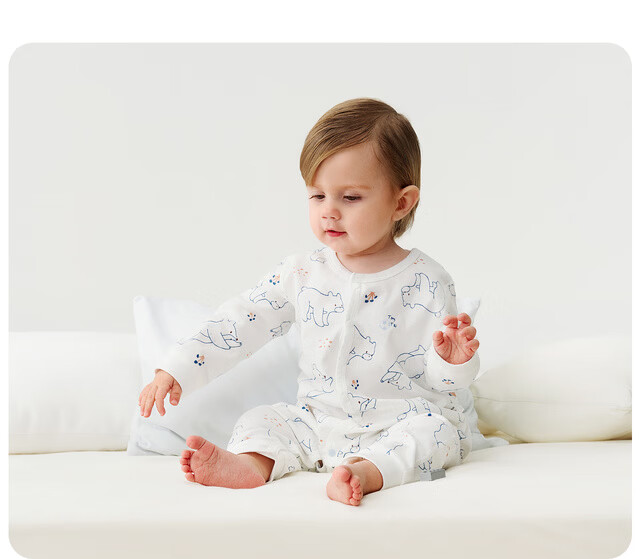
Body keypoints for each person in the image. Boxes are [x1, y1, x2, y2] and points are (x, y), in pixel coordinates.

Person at [138, 98, 480, 506]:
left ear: (401, 202)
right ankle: (251, 464)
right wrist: (177, 368)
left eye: (350, 198)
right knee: (262, 417)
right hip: (319, 424)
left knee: (436, 435)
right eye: (317, 196)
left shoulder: (427, 279)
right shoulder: (301, 273)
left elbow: (445, 385)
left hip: (400, 421)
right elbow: (241, 321)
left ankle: (367, 472)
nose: (329, 212)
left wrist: (453, 362)